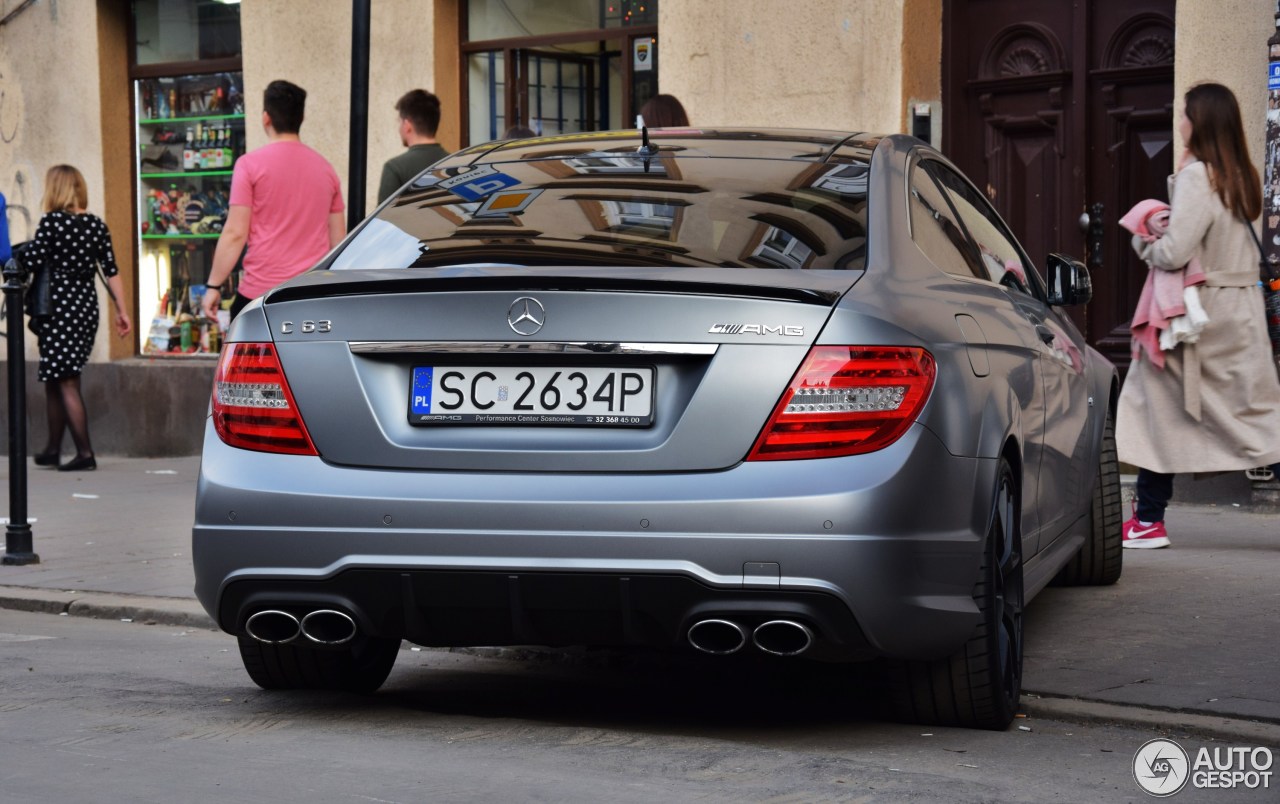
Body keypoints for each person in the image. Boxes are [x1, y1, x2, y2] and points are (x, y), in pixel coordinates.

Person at [1116, 82, 1280, 548]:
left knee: (1153, 406)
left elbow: (1173, 252)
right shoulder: (1244, 176)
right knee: (1258, 419)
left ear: (1200, 122)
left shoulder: (1197, 178)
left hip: (1198, 319)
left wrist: (1142, 236)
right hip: (1240, 312)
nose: (1179, 121)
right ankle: (1149, 517)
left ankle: (1148, 520)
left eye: (1183, 114)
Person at [201, 80, 344, 321]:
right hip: (310, 296)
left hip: (261, 296)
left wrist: (214, 285)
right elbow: (338, 242)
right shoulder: (326, 169)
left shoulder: (248, 166)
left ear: (266, 118)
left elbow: (236, 233)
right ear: (302, 118)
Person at [26, 165, 132, 472]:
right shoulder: (96, 225)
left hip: (58, 307)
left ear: (55, 189)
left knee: (67, 380)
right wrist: (122, 311)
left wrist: (11, 255)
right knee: (57, 379)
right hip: (85, 307)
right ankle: (52, 449)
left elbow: (32, 259)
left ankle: (85, 453)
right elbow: (111, 270)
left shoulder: (52, 222)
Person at [377, 89, 448, 203]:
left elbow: (383, 220)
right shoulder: (457, 163)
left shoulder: (395, 168)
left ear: (407, 125)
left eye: (399, 121)